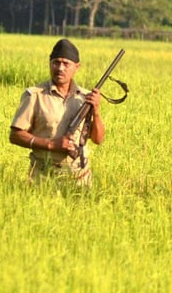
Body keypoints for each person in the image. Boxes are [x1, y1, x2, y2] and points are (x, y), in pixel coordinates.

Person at [9, 38, 106, 187]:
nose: (60, 68)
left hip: (80, 178)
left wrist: (96, 111)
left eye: (66, 64)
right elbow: (15, 135)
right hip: (43, 177)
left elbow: (98, 139)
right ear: (50, 64)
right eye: (56, 62)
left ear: (77, 67)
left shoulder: (85, 98)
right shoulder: (35, 96)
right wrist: (50, 144)